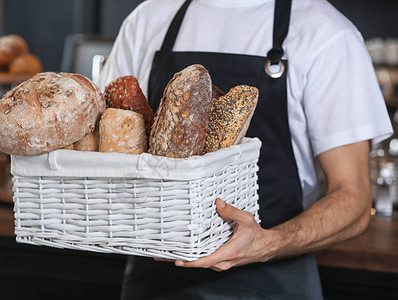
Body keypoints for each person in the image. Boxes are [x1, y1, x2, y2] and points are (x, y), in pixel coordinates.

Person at [97, 0, 393, 299]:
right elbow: (105, 142)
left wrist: (268, 244)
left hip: (271, 283)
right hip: (152, 279)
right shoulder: (149, 18)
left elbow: (354, 199)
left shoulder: (325, 32)